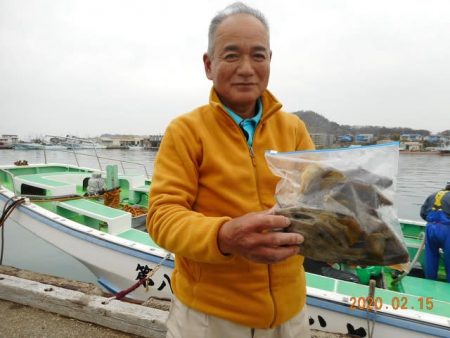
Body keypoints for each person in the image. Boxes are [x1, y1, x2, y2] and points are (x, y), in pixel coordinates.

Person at [147, 2, 315, 337]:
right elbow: (161, 216)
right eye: (231, 55)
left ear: (269, 60)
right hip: (208, 318)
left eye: (258, 55)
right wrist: (223, 236)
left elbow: (317, 200)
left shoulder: (294, 129)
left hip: (291, 315)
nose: (246, 68)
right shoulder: (186, 131)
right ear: (209, 65)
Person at [420, 181, 450, 282]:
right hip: (447, 231)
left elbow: (423, 214)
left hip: (430, 229)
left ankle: (430, 282)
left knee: (431, 256)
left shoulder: (432, 195)